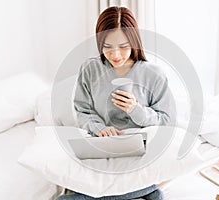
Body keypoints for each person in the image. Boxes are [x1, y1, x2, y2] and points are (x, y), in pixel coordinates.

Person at [57, 6, 175, 200]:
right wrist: (100, 127)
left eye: (123, 46)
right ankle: (147, 191)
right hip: (102, 144)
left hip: (140, 147)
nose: (116, 55)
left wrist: (136, 110)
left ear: (134, 41)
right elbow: (82, 110)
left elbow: (166, 120)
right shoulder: (90, 69)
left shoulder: (153, 74)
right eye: (107, 47)